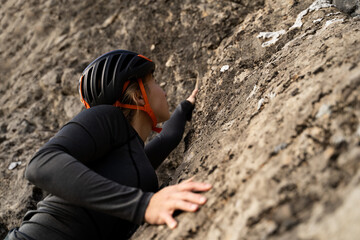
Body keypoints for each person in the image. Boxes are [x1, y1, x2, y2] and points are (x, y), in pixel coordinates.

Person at [5, 50, 212, 240]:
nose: (164, 92)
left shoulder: (132, 158)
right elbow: (40, 164)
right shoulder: (108, 117)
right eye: (156, 82)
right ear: (139, 96)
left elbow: (167, 139)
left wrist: (186, 107)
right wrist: (143, 205)